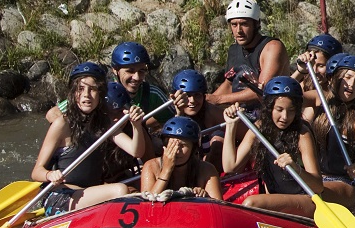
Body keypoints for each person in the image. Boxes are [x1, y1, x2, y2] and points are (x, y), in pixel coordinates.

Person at [30, 62, 151, 213]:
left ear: (101, 94)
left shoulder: (104, 124)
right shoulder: (62, 124)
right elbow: (36, 172)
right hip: (62, 196)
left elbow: (136, 151)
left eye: (93, 89)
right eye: (80, 89)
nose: (86, 95)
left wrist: (136, 126)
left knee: (125, 191)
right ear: (74, 93)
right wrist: (50, 174)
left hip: (89, 193)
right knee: (120, 190)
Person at [221, 76, 324, 217]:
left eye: (291, 110)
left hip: (304, 198)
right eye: (279, 109)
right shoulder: (259, 127)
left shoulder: (302, 134)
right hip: (277, 198)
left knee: (251, 203)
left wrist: (295, 167)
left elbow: (318, 186)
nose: (285, 117)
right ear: (269, 108)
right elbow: (230, 167)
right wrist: (230, 126)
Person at [312, 53, 355, 211]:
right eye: (347, 77)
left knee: (308, 194)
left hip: (343, 182)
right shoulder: (320, 100)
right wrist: (301, 71)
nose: (351, 84)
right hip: (317, 177)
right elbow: (289, 99)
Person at [47, 41, 169, 126]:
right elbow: (52, 114)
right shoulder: (99, 91)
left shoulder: (153, 93)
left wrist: (141, 125)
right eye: (130, 71)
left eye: (141, 71)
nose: (137, 77)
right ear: (115, 70)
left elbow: (171, 118)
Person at [207, 0, 287, 111]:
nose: (239, 30)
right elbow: (229, 85)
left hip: (265, 113)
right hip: (238, 111)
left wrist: (219, 99)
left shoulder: (272, 47)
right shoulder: (234, 50)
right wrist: (206, 101)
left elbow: (262, 90)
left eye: (244, 24)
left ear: (256, 24)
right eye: (234, 25)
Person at [139, 115, 223, 199]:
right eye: (172, 144)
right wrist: (166, 171)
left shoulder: (207, 170)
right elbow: (148, 206)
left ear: (193, 149)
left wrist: (203, 197)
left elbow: (219, 207)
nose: (177, 151)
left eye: (183, 145)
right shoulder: (151, 166)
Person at [294, 32, 342, 105]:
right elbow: (280, 97)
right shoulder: (307, 82)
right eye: (311, 64)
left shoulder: (345, 88)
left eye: (321, 66)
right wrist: (300, 71)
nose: (315, 71)